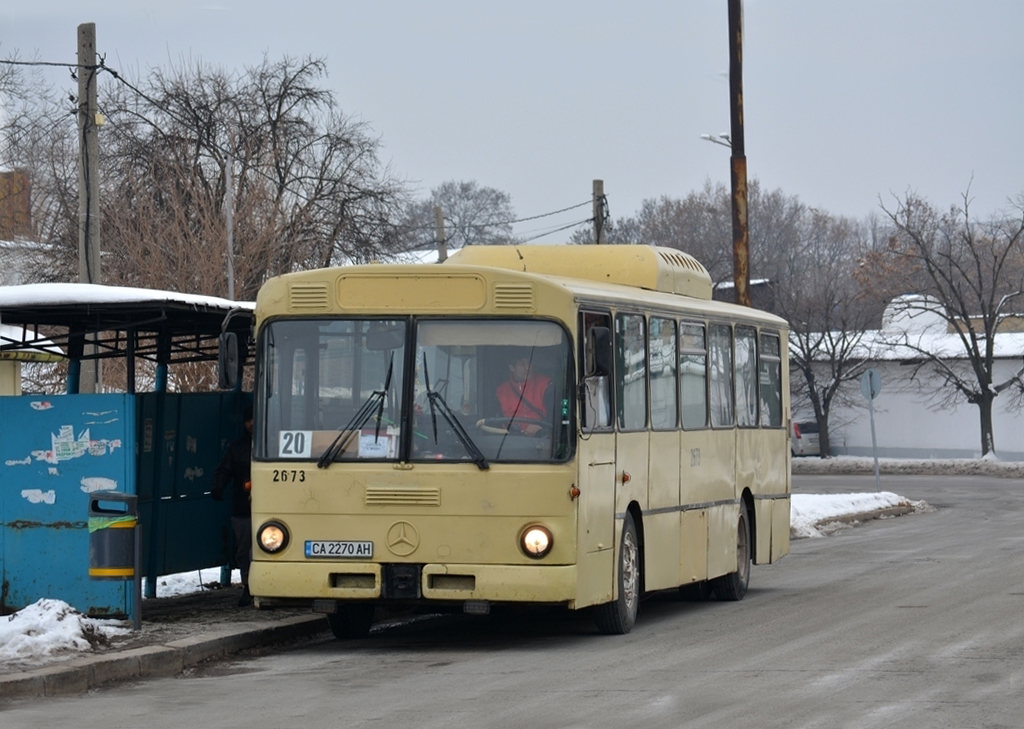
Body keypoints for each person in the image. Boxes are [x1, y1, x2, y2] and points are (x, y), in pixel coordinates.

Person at [212, 404, 253, 607]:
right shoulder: (237, 447)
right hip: (243, 509)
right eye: (248, 420)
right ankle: (249, 586)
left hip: (265, 508)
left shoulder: (274, 443)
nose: (251, 424)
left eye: (254, 419)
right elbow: (224, 469)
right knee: (245, 550)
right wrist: (218, 487)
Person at [496, 354, 551, 435]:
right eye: (522, 364)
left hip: (541, 437)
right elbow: (496, 420)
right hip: (509, 440)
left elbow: (555, 415)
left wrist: (541, 426)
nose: (528, 368)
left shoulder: (545, 384)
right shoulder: (501, 391)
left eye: (529, 363)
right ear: (512, 368)